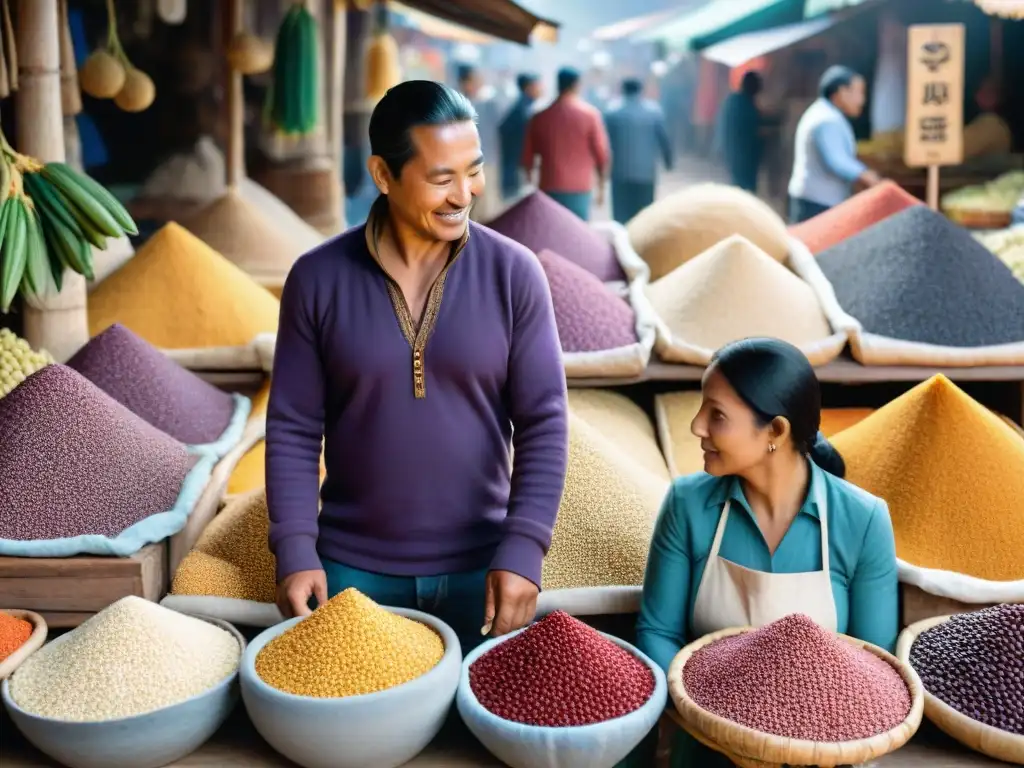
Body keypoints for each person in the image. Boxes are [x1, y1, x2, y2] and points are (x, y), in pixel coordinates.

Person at [266, 80, 569, 655]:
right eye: (441, 178)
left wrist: (525, 548)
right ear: (383, 175)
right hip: (351, 574)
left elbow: (544, 421)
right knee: (358, 739)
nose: (464, 194)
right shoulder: (316, 279)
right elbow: (293, 427)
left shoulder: (515, 274)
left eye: (473, 171)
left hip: (485, 571)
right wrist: (296, 548)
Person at [633, 337, 898, 766]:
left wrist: (792, 744)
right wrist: (715, 722)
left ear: (775, 431)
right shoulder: (687, 504)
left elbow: (873, 668)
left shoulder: (862, 520)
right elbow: (658, 632)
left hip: (821, 753)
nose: (697, 426)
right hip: (705, 747)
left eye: (716, 415)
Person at [788, 65, 883, 224]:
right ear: (841, 92)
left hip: (816, 201)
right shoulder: (826, 120)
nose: (862, 100)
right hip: (817, 204)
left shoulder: (826, 113)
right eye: (859, 92)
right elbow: (838, 161)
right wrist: (868, 176)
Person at [521, 67, 610, 221]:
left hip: (549, 187)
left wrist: (530, 182)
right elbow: (601, 154)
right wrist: (601, 186)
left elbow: (527, 158)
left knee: (552, 235)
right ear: (577, 85)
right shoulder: (590, 115)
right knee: (577, 235)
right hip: (580, 188)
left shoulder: (540, 117)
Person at [603, 78, 673, 224]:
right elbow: (664, 139)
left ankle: (621, 244)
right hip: (645, 174)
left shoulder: (612, 112)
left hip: (620, 173)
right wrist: (668, 161)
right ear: (641, 91)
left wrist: (602, 169)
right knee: (644, 216)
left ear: (622, 90)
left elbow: (604, 143)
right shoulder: (654, 111)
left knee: (621, 217)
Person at [457, 63, 505, 222]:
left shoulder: (488, 104)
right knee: (471, 208)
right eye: (471, 81)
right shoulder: (457, 106)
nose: (475, 84)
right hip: (466, 165)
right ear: (464, 83)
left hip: (486, 162)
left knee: (486, 207)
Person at [714, 71, 764, 193]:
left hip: (731, 153)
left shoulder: (732, 100)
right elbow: (753, 130)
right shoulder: (746, 105)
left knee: (737, 186)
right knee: (744, 189)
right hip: (743, 156)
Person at [498, 72, 542, 201]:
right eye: (537, 85)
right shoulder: (523, 110)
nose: (540, 89)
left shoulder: (522, 107)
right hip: (517, 167)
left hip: (514, 166)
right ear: (529, 88)